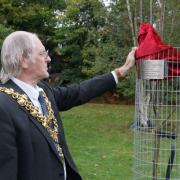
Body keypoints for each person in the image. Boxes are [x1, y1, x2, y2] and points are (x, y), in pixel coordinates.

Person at [0, 31, 136, 180]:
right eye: (42, 54)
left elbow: (78, 92)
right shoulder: (4, 106)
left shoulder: (43, 91)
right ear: (23, 60)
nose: (49, 58)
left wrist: (121, 72)